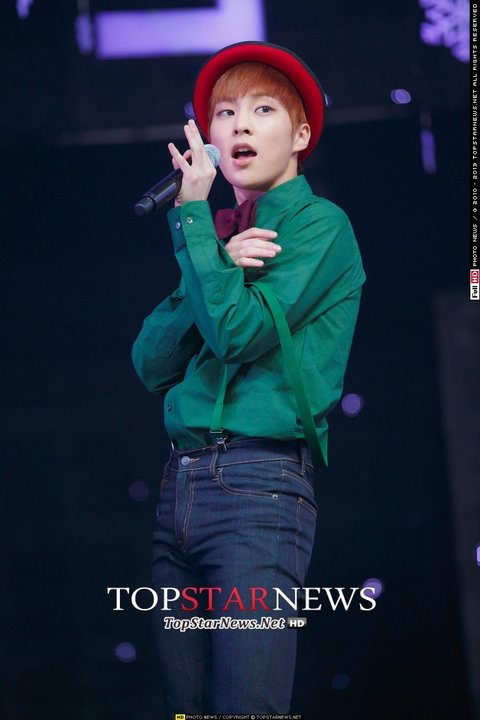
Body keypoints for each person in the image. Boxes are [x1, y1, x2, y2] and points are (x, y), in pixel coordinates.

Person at [131, 41, 365, 717]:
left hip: (257, 487)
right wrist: (214, 254)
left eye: (262, 110)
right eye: (225, 112)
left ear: (300, 135)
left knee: (245, 709)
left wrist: (196, 229)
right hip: (181, 487)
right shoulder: (223, 238)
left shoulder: (320, 226)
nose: (238, 124)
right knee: (186, 708)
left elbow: (238, 334)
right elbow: (151, 364)